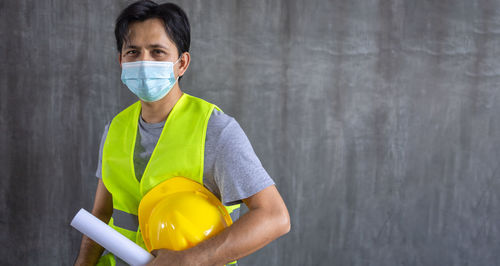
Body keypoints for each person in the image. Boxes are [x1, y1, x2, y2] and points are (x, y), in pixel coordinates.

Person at [74, 1, 290, 265]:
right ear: (121, 60)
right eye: (133, 52)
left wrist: (189, 259)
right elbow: (101, 215)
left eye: (157, 52)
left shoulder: (214, 130)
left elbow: (274, 217)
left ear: (182, 63)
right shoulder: (115, 129)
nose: (144, 62)